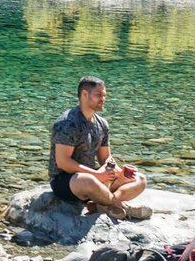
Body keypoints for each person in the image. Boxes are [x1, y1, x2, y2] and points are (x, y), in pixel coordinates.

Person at [48, 76, 152, 221]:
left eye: (104, 95)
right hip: (66, 182)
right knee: (87, 180)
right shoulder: (68, 123)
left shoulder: (102, 124)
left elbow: (106, 158)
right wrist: (97, 176)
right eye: (98, 95)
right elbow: (63, 163)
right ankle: (123, 207)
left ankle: (101, 204)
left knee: (140, 179)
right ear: (84, 95)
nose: (103, 99)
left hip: (95, 179)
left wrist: (116, 172)